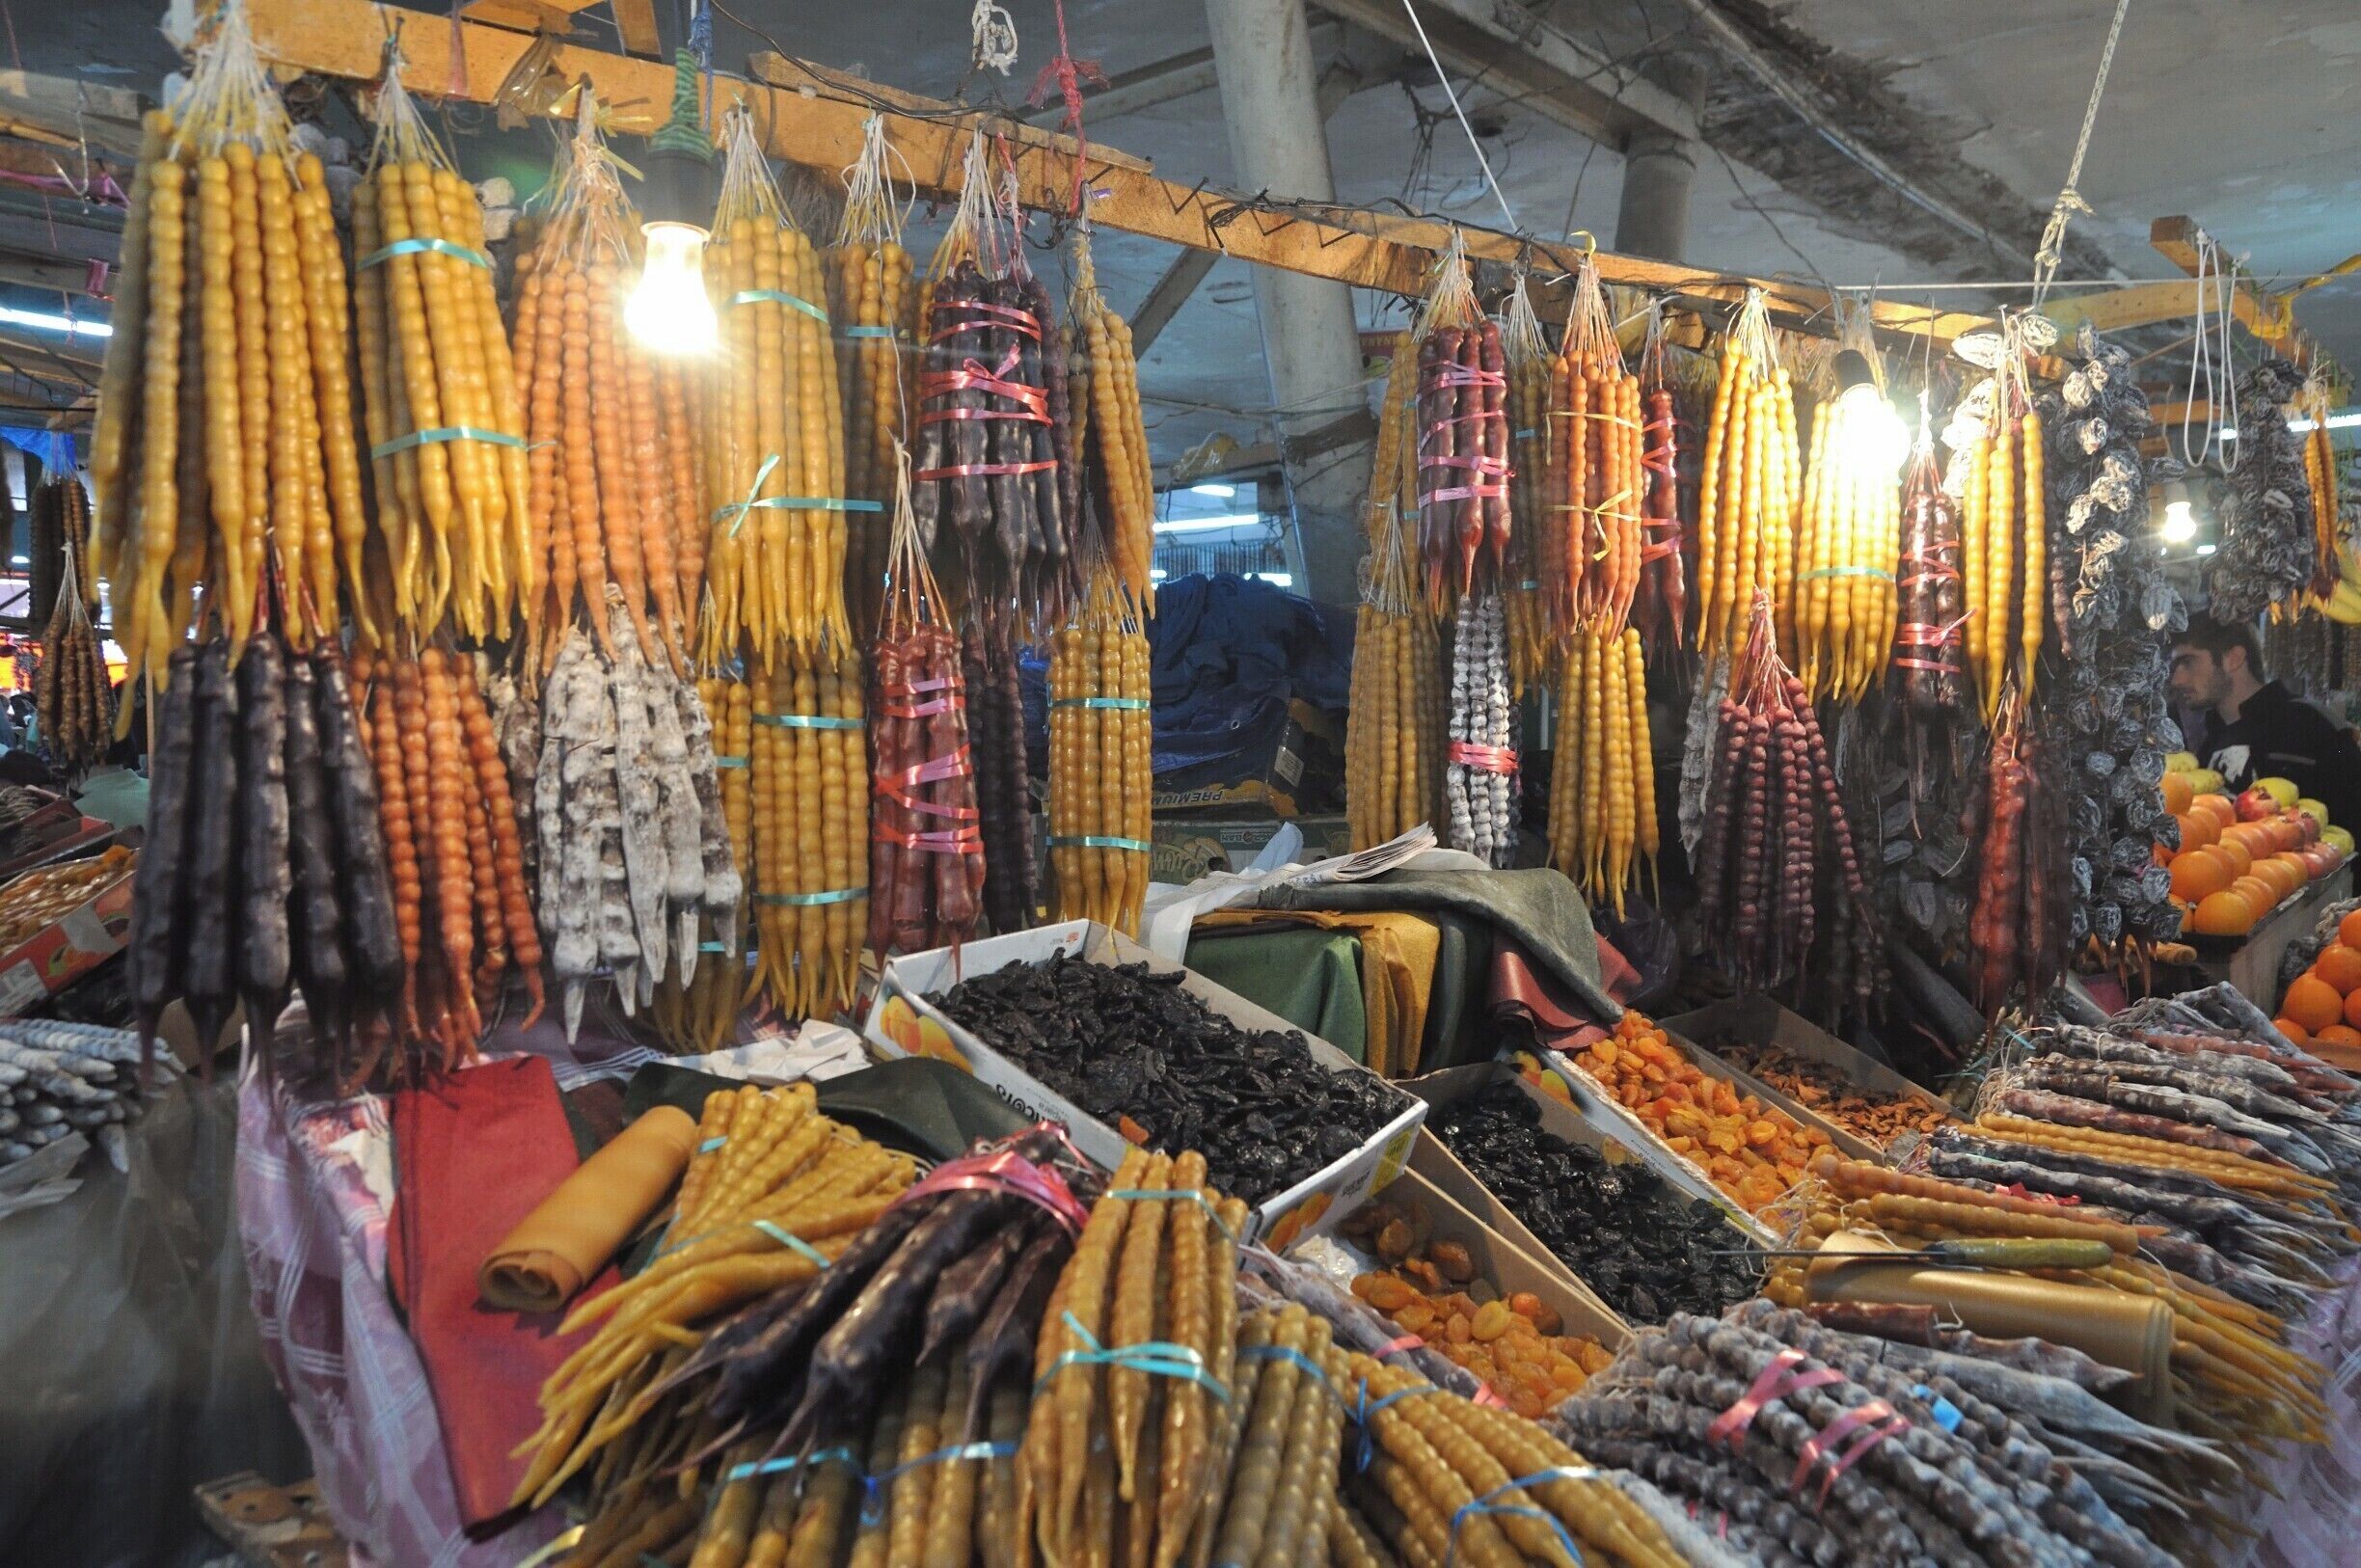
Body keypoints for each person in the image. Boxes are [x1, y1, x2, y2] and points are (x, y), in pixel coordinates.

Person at [2168, 616, 2361, 830]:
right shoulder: (2208, 744)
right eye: (2174, 667)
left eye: (2188, 663)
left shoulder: (2311, 723)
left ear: (2234, 658)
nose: (2177, 680)